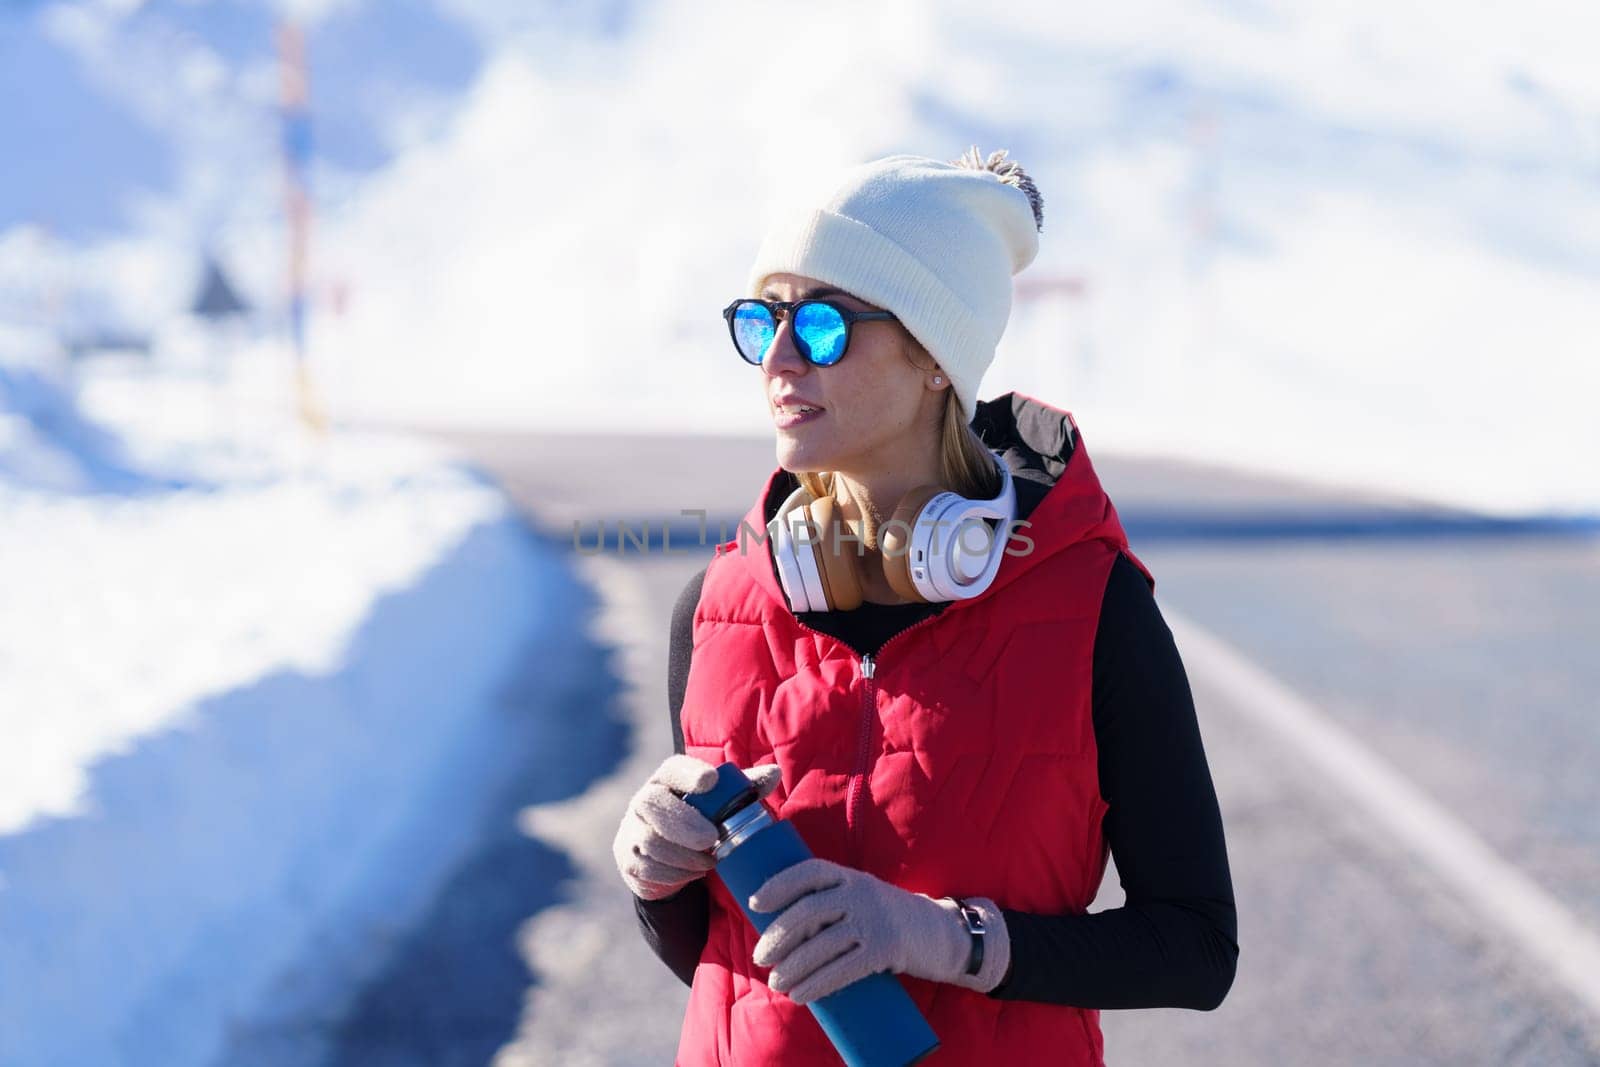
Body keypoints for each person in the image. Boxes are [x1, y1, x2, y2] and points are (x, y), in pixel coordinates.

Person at [612, 147, 1238, 1065]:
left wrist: (945, 940)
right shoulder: (714, 610)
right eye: (762, 318)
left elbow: (1195, 949)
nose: (780, 358)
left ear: (934, 358)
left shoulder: (1093, 608)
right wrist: (655, 877)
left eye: (822, 324)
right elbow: (725, 960)